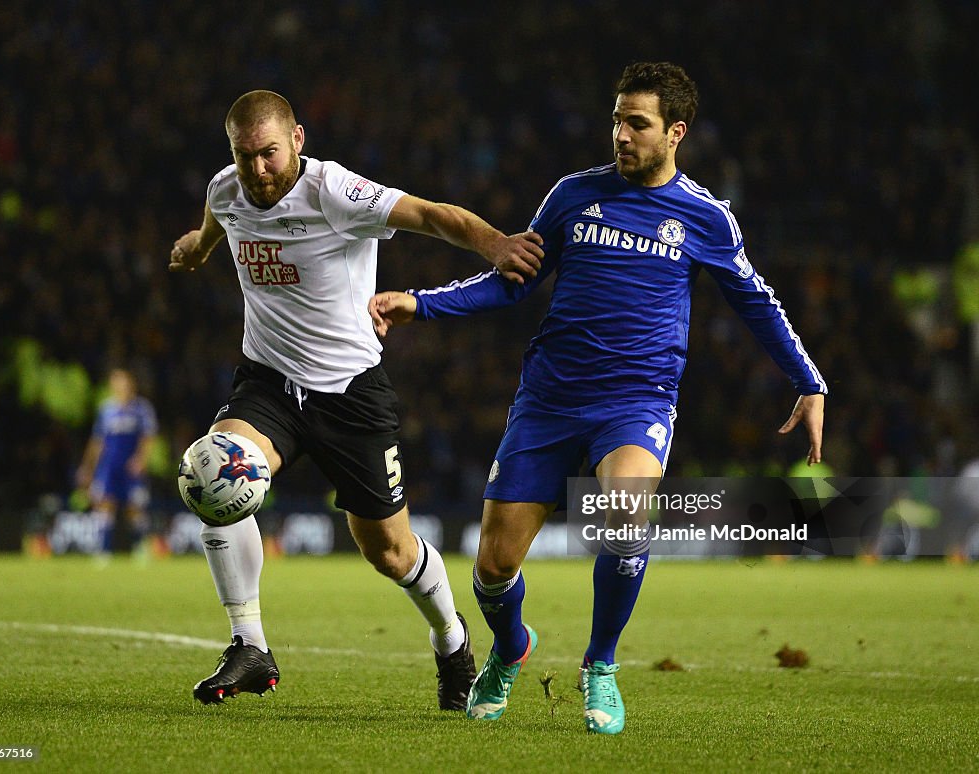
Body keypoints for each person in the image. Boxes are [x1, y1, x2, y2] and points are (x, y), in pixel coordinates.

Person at [369, 61, 827, 734]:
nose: (620, 134)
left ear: (676, 132)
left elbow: (757, 303)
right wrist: (421, 304)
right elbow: (513, 279)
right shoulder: (571, 196)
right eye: (616, 119)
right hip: (549, 399)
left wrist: (810, 381)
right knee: (493, 567)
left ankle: (601, 664)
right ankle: (511, 647)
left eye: (636, 124)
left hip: (636, 402)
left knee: (624, 518)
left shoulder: (704, 216)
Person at [168, 90, 544, 709]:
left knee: (390, 553)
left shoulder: (333, 192)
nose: (258, 171)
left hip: (350, 395)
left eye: (268, 154)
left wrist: (496, 245)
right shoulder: (225, 189)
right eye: (244, 158)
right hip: (267, 383)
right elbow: (217, 226)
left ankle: (452, 640)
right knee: (212, 476)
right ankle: (249, 643)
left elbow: (430, 215)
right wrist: (196, 248)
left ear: (298, 141)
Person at [75, 368, 158, 557]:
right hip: (109, 466)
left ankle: (140, 549)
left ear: (131, 384)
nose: (121, 386)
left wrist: (140, 459)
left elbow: (148, 437)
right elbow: (98, 441)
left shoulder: (142, 409)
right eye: (116, 382)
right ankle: (103, 552)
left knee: (135, 508)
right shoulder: (106, 409)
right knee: (105, 505)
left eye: (123, 381)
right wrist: (88, 467)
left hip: (131, 467)